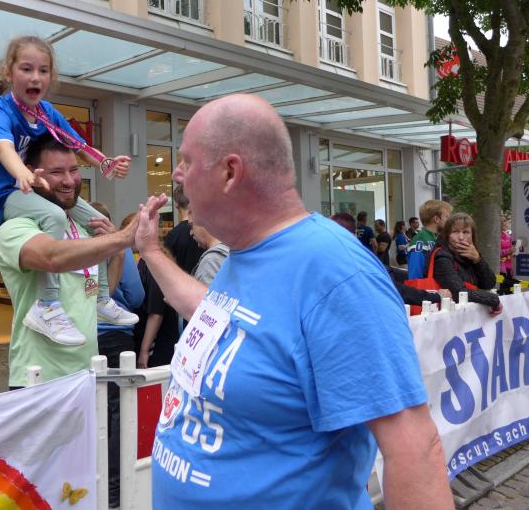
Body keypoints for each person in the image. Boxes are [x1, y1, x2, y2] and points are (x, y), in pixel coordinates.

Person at [136, 94, 452, 508]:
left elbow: (414, 447)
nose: (177, 174)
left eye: (187, 161)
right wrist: (152, 251)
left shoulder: (335, 273)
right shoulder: (245, 251)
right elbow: (219, 316)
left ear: (230, 172)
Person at [0, 35, 137, 346]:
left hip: (38, 188)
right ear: (8, 72)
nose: (35, 77)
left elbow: (78, 145)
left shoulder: (46, 111)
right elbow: (5, 148)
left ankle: (102, 298)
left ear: (51, 76)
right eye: (26, 69)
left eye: (43, 70)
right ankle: (47, 303)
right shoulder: (0, 111)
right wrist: (24, 174)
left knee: (98, 222)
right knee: (54, 215)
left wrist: (106, 163)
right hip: (9, 194)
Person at [0, 137, 138, 388]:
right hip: (38, 380)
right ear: (32, 173)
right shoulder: (16, 228)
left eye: (74, 170)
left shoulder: (84, 227)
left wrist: (117, 251)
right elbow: (52, 257)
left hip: (85, 375)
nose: (69, 181)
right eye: (56, 172)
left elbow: (92, 297)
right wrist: (122, 238)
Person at [95, 212, 145, 509]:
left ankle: (94, 478)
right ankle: (114, 487)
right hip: (116, 336)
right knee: (118, 411)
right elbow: (136, 297)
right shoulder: (119, 246)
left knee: (92, 407)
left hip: (84, 335)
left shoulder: (72, 242)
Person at [332, 213, 449, 308]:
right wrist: (433, 296)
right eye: (446, 216)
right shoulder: (361, 262)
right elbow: (397, 289)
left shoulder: (348, 260)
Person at [432, 213, 502, 315]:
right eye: (455, 232)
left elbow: (489, 283)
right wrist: (494, 299)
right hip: (447, 316)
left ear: (472, 235)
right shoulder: (442, 257)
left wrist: (478, 260)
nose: (461, 237)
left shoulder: (469, 254)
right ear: (447, 235)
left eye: (466, 232)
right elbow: (459, 292)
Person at [407, 200, 452, 279]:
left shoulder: (438, 237)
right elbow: (415, 277)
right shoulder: (420, 240)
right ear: (437, 219)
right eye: (447, 217)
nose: (450, 221)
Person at [164, 185, 203, 274]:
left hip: (181, 279)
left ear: (176, 205)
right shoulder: (205, 229)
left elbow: (168, 266)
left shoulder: (173, 235)